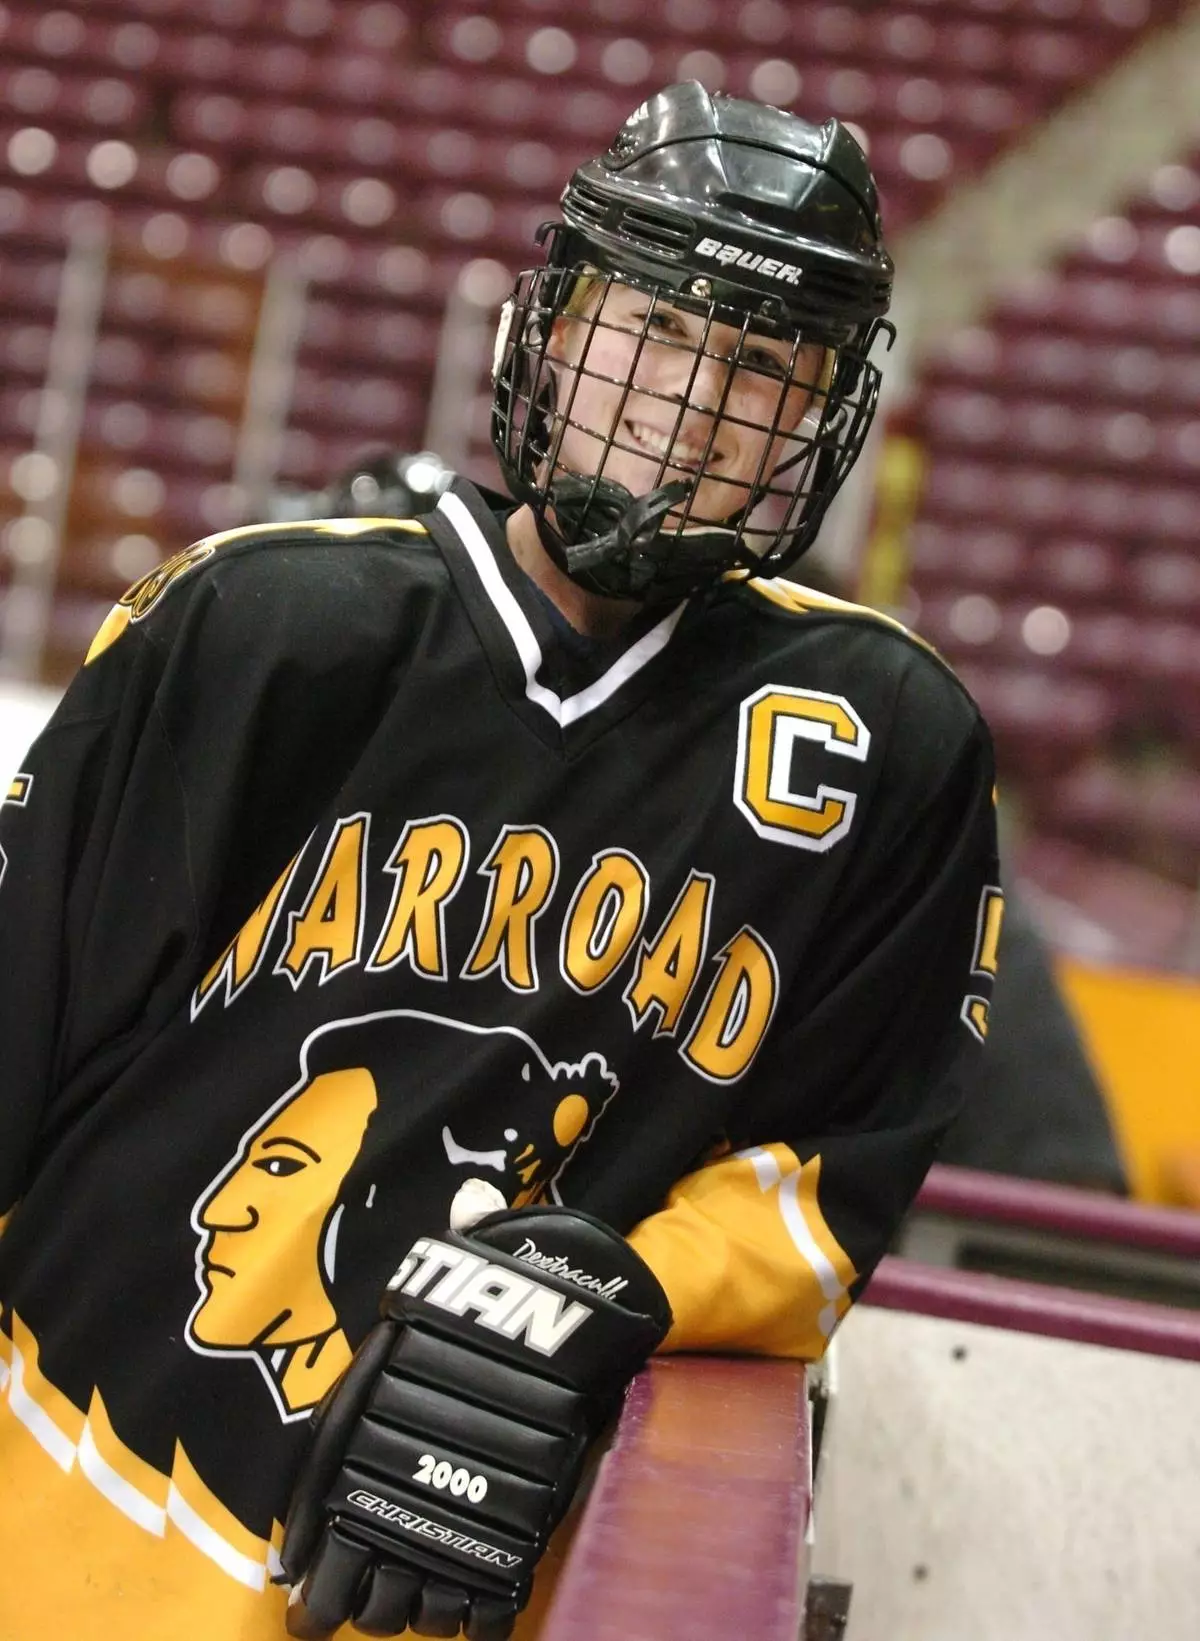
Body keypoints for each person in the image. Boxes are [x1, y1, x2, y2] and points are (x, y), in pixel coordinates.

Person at [0, 83, 1000, 1640]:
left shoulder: (887, 750)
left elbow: (839, 1168)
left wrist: (622, 1288)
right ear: (550, 329)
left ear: (823, 422)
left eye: (757, 369)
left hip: (431, 1595)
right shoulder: (258, 625)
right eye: (652, 330)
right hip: (58, 1511)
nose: (689, 405)